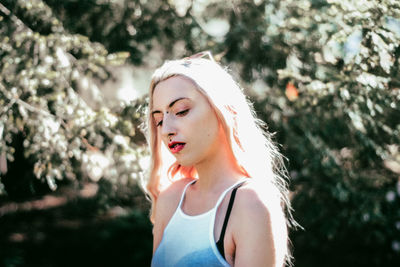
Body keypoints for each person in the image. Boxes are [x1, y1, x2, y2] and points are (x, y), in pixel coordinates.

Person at [143, 51, 296, 267]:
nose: (167, 129)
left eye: (181, 111)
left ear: (221, 109)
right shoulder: (171, 199)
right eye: (159, 120)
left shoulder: (251, 205)